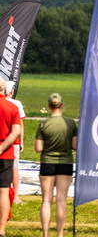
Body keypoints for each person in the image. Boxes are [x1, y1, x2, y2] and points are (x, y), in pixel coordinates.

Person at [35, 93, 78, 237]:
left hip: (47, 162)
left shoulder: (44, 124)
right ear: (62, 105)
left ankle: (45, 234)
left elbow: (38, 148)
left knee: (46, 200)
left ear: (49, 106)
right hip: (65, 163)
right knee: (61, 199)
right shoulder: (70, 123)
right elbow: (75, 146)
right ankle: (60, 234)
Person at [0, 77, 21, 237]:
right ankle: (1, 229)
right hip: (6, 153)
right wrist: (2, 147)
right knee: (3, 191)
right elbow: (15, 132)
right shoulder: (12, 107)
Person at [5, 81, 26, 204]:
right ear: (12, 91)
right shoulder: (16, 104)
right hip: (14, 142)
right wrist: (21, 141)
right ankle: (15, 196)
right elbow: (20, 125)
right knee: (14, 169)